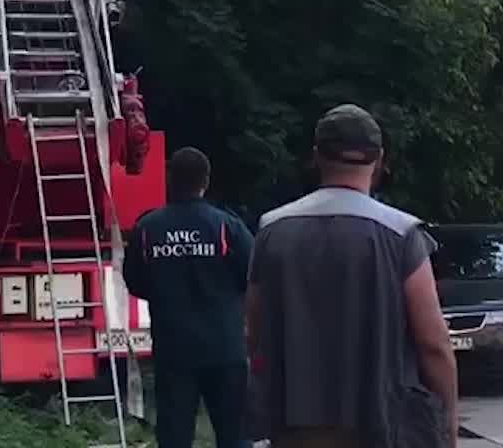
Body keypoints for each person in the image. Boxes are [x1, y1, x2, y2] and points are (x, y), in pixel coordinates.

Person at [246, 104, 457, 448]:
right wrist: (447, 431)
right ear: (379, 159)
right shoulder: (402, 234)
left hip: (294, 424)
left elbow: (252, 332)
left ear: (316, 156)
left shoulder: (272, 230)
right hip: (381, 423)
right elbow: (433, 345)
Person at [123, 147, 253, 448]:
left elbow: (135, 282)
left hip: (173, 349)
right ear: (205, 181)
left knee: (174, 435)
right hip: (225, 348)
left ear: (170, 179)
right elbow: (252, 274)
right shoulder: (226, 226)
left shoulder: (147, 228)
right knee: (234, 434)